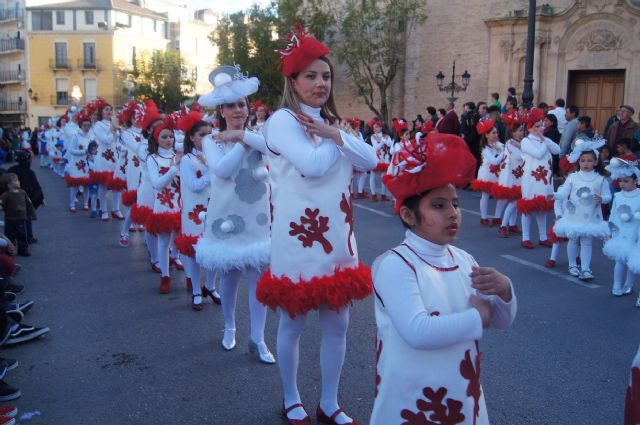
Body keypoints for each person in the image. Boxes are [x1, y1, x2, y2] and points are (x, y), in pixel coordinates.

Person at [255, 26, 377, 425]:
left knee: (338, 324)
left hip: (339, 239)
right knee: (293, 322)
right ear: (293, 81)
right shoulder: (281, 121)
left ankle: (329, 402)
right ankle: (292, 398)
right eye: (311, 75)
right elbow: (311, 167)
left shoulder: (330, 123)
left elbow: (372, 161)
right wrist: (335, 137)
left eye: (326, 76)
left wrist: (335, 133)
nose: (320, 83)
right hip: (297, 240)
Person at [370, 131, 516, 425]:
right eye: (438, 205)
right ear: (409, 216)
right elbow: (417, 331)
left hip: (462, 393)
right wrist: (479, 317)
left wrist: (505, 290)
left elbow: (501, 320)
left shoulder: (463, 259)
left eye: (456, 204)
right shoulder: (395, 265)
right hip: (416, 396)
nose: (453, 214)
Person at [195, 64, 274, 363]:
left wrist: (244, 137)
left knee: (258, 278)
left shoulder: (257, 135)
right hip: (226, 215)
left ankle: (258, 338)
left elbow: (272, 150)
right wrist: (241, 142)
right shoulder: (211, 140)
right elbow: (222, 171)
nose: (238, 109)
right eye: (231, 105)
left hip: (256, 214)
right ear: (222, 110)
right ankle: (230, 327)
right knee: (229, 275)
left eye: (242, 104)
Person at [175, 108, 221, 310]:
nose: (206, 138)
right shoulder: (187, 160)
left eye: (209, 134)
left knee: (215, 250)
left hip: (215, 206)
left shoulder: (216, 155)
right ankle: (195, 290)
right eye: (202, 135)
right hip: (194, 210)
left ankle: (210, 286)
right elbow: (193, 185)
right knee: (194, 251)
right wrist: (213, 170)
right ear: (191, 137)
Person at [553, 142, 611, 281]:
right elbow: (564, 193)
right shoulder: (573, 177)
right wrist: (554, 195)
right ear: (578, 161)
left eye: (589, 161)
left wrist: (602, 198)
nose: (586, 163)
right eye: (583, 160)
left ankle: (585, 268)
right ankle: (572, 265)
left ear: (596, 162)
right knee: (573, 240)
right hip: (574, 215)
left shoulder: (600, 179)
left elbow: (608, 196)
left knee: (587, 241)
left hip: (591, 216)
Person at [517, 108, 560, 249]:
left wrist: (545, 140)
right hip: (531, 179)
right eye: (537, 126)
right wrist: (544, 141)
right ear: (530, 128)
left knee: (543, 209)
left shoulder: (545, 140)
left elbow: (558, 150)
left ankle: (543, 237)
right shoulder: (525, 141)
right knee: (529, 208)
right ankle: (526, 238)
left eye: (542, 125)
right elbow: (538, 154)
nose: (541, 128)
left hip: (545, 179)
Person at [131, 99, 164, 273]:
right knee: (151, 225)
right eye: (157, 126)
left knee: (168, 224)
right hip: (149, 189)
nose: (161, 129)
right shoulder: (144, 146)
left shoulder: (167, 142)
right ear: (149, 129)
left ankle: (169, 256)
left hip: (165, 189)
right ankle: (155, 258)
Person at [603, 158, 639, 296]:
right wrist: (609, 232)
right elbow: (612, 215)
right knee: (619, 260)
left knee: (631, 261)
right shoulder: (618, 196)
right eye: (621, 181)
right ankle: (616, 285)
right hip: (621, 232)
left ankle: (628, 285)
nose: (622, 184)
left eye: (626, 181)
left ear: (635, 181)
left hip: (635, 232)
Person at [116, 101, 145, 247]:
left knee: (148, 201)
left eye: (140, 116)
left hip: (147, 168)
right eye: (135, 116)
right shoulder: (127, 133)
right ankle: (124, 232)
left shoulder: (148, 132)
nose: (138, 119)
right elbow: (137, 147)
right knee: (135, 201)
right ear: (130, 118)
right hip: (134, 168)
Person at [91, 98, 124, 222]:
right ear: (101, 112)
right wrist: (113, 130)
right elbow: (106, 140)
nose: (109, 111)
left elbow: (118, 140)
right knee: (103, 184)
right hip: (103, 157)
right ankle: (104, 210)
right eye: (106, 109)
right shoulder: (98, 125)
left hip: (114, 156)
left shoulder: (113, 123)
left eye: (110, 109)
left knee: (117, 184)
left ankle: (116, 209)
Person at [493, 119, 524, 237]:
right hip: (512, 177)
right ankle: (503, 226)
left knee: (515, 201)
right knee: (514, 202)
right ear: (513, 132)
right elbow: (520, 157)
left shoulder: (517, 142)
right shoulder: (511, 143)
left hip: (517, 175)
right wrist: (524, 148)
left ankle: (512, 224)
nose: (522, 133)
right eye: (520, 130)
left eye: (522, 130)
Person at [471, 119, 504, 226]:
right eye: (493, 133)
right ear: (486, 135)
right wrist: (502, 152)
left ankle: (497, 217)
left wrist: (501, 150)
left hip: (499, 174)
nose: (496, 135)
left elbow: (508, 150)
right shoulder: (485, 149)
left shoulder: (499, 144)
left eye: (496, 132)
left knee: (501, 196)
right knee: (485, 195)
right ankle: (483, 218)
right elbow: (494, 161)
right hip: (487, 174)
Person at [0, 174, 36, 257]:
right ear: (9, 185)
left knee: (22, 235)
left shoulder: (23, 193)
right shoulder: (5, 195)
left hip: (21, 219)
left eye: (18, 180)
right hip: (9, 219)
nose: (18, 182)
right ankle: (10, 251)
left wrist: (32, 214)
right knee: (10, 236)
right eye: (16, 181)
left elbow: (29, 204)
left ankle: (23, 250)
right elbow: (1, 204)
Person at [64, 111, 91, 212]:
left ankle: (85, 203)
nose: (86, 127)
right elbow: (71, 150)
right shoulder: (76, 136)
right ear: (81, 125)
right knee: (74, 184)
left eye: (88, 125)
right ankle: (71, 204)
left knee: (86, 185)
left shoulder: (90, 137)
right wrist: (83, 151)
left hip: (87, 163)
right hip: (76, 163)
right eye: (84, 125)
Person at [369, 121, 393, 202]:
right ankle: (373, 194)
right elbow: (376, 148)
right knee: (372, 176)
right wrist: (383, 141)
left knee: (384, 177)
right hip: (376, 158)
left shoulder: (386, 136)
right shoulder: (373, 136)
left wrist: (382, 139)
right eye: (374, 127)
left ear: (381, 128)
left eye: (376, 127)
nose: (374, 129)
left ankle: (383, 194)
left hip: (385, 159)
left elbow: (389, 144)